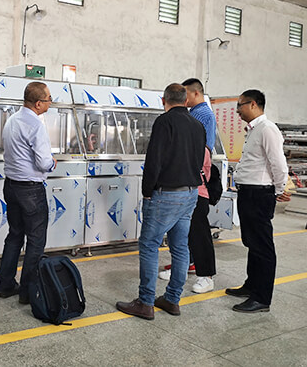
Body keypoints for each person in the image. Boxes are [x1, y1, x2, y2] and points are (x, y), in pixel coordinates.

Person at [116, 83, 205, 320]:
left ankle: (145, 303)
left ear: (163, 100)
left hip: (166, 194)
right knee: (180, 247)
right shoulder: (197, 125)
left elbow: (154, 159)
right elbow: (199, 160)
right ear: (186, 100)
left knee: (149, 245)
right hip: (190, 193)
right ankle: (172, 299)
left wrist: (147, 191)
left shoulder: (164, 122)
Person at [226, 89, 290, 313]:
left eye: (240, 105)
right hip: (248, 192)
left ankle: (262, 298)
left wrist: (279, 190)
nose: (237, 111)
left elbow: (278, 163)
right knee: (251, 242)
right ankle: (251, 285)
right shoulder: (253, 130)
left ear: (253, 104)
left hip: (260, 194)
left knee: (262, 246)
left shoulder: (267, 129)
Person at [0, 81, 56, 305]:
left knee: (14, 235)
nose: (50, 103)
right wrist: (52, 163)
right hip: (31, 189)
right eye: (49, 99)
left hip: (11, 186)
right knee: (35, 240)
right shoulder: (35, 125)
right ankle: (28, 292)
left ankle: (6, 285)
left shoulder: (12, 120)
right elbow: (43, 162)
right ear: (38, 103)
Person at [159, 78, 218, 294]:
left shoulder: (201, 115)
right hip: (185, 180)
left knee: (199, 230)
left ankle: (206, 275)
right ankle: (182, 267)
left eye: (185, 94)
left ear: (195, 93)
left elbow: (199, 149)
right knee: (183, 231)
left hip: (196, 181)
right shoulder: (192, 114)